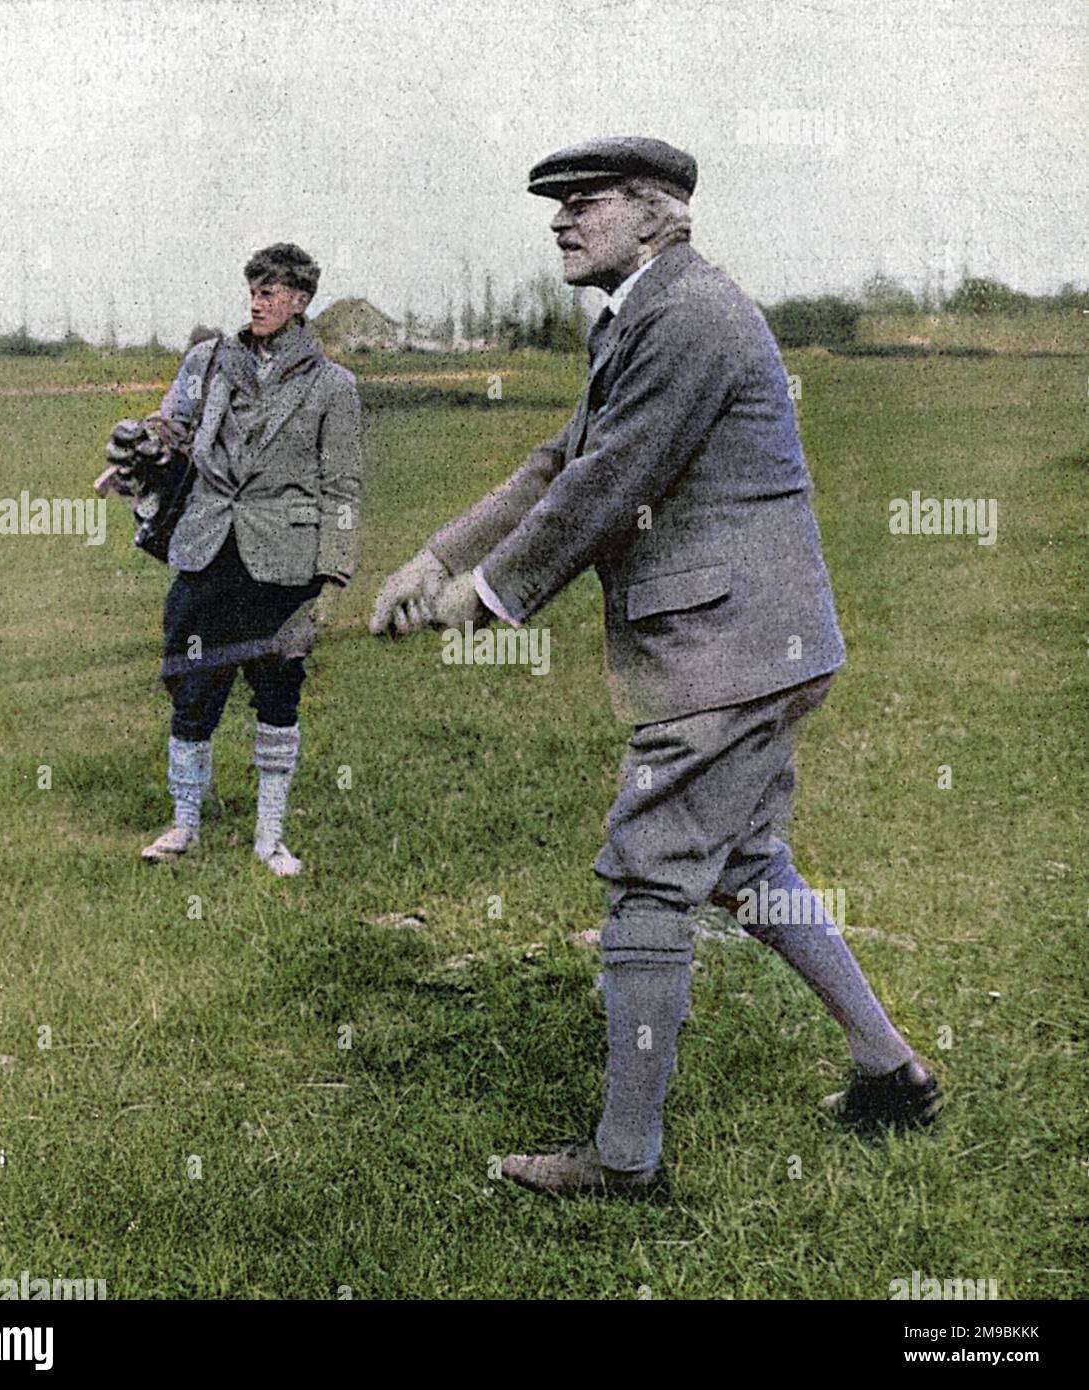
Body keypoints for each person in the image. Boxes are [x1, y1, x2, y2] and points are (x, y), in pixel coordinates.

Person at [370, 137, 940, 1195]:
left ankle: (622, 1160)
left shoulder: (686, 317)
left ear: (656, 212)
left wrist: (487, 597)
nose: (558, 222)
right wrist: (437, 556)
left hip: (726, 652)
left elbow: (610, 481)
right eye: (558, 206)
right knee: (742, 862)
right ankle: (889, 1070)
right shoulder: (644, 310)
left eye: (582, 203)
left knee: (646, 874)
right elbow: (560, 459)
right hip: (756, 643)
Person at [130, 242, 363, 876]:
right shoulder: (209, 361)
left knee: (277, 693)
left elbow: (342, 489)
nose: (257, 301)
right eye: (253, 289)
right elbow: (170, 424)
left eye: (271, 291)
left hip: (284, 566)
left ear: (301, 303)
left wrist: (332, 580)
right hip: (206, 552)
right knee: (190, 686)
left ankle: (270, 837)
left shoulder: (333, 387)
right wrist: (143, 441)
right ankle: (184, 825)